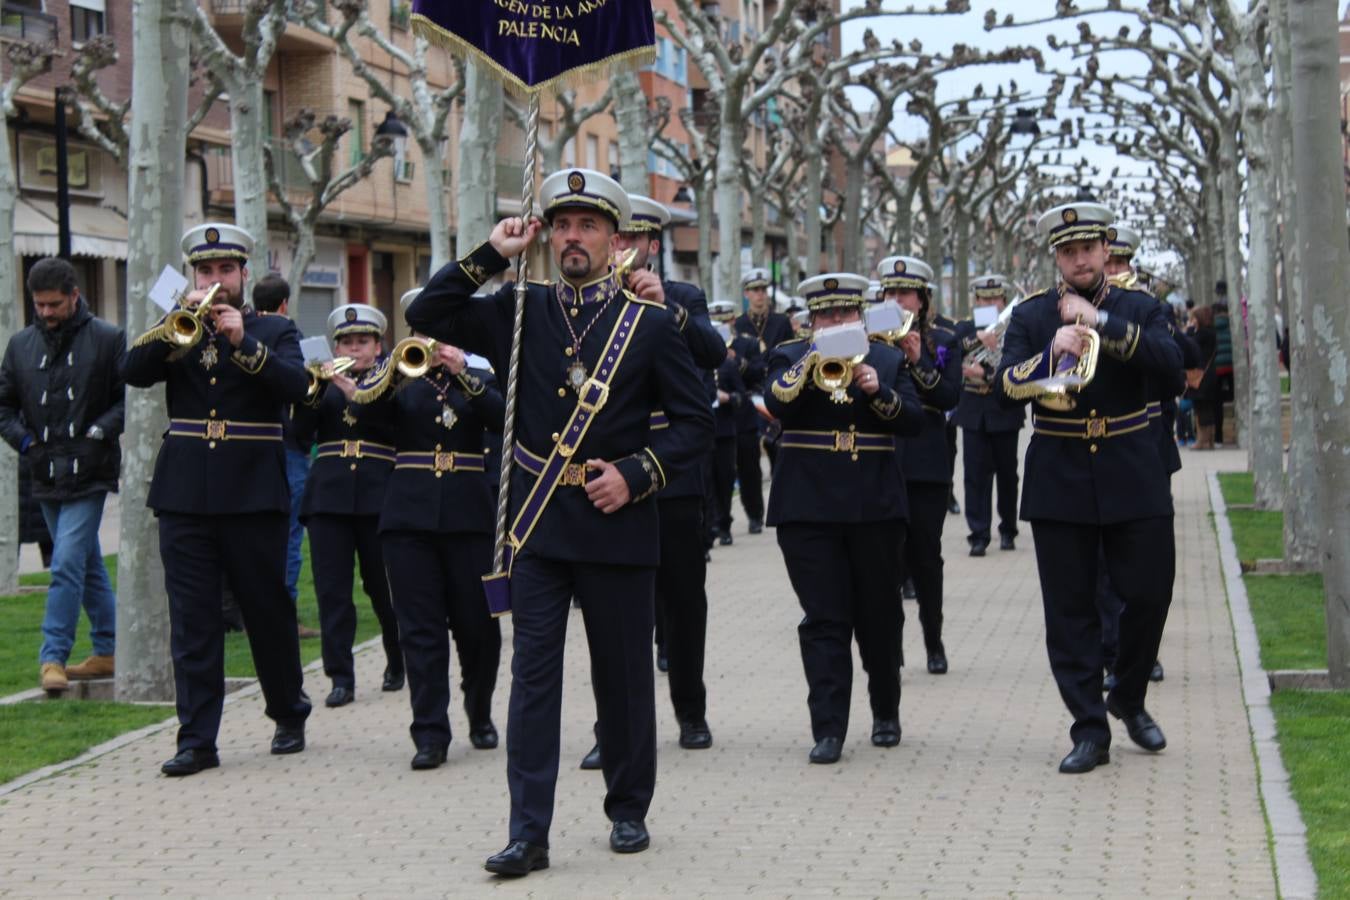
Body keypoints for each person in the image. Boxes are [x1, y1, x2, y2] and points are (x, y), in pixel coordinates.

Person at [406, 168, 712, 874]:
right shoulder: (518, 306)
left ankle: (628, 807)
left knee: (624, 678)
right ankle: (528, 832)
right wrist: (491, 254)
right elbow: (429, 313)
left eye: (589, 227)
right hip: (539, 526)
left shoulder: (652, 324)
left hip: (618, 522)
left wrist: (637, 474)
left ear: (614, 239)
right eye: (563, 226)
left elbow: (694, 423)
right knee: (533, 681)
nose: (574, 239)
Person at [995, 202, 1182, 775]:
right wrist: (1052, 353)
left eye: (1088, 249)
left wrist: (1102, 325)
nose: (1079, 260)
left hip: (1132, 465)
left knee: (1148, 593)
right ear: (1056, 257)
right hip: (1061, 473)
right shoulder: (1031, 316)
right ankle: (1089, 729)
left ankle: (1127, 696)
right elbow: (1005, 387)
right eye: (1068, 251)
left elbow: (1173, 369)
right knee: (1070, 612)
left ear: (1106, 251)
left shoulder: (1140, 308)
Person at [123, 223, 312, 776]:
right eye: (205, 271)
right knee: (193, 619)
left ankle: (287, 711)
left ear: (243, 275)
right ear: (193, 275)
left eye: (225, 271)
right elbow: (130, 372)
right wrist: (167, 328)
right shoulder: (175, 332)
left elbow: (299, 388)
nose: (215, 281)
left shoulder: (273, 330)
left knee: (265, 609)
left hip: (253, 493)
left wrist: (243, 344)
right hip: (184, 494)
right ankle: (197, 739)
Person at [577, 195, 725, 771]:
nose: (622, 250)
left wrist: (673, 312)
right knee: (612, 613)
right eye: (616, 239)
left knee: (684, 602)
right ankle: (609, 727)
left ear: (653, 246)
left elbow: (714, 353)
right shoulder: (593, 302)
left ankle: (690, 710)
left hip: (673, 474)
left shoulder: (682, 297)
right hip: (611, 473)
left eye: (632, 240)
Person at [764, 272, 924, 764]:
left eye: (845, 314)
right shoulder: (790, 356)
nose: (836, 322)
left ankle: (886, 710)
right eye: (826, 315)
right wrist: (814, 360)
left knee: (878, 615)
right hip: (807, 506)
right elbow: (773, 403)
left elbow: (916, 421)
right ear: (811, 320)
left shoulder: (886, 357)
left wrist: (879, 392)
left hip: (873, 505)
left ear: (860, 314)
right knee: (824, 619)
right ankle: (829, 727)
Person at [350, 291, 504, 769]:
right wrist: (393, 370)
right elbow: (362, 415)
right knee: (420, 630)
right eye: (422, 331)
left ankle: (479, 710)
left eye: (440, 331)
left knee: (480, 629)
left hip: (469, 516)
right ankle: (430, 733)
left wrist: (461, 370)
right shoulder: (396, 378)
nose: (431, 342)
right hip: (409, 518)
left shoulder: (481, 375)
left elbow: (505, 419)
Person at [0, 257, 123, 692]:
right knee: (86, 564)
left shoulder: (109, 339)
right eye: (39, 305)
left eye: (54, 304)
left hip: (91, 470)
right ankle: (109, 649)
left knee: (66, 563)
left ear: (74, 296)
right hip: (44, 471)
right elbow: (4, 406)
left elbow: (126, 400)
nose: (46, 312)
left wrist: (98, 433)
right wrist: (28, 444)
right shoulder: (19, 346)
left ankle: (52, 657)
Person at [289, 304, 404, 709]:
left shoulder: (392, 380)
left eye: (363, 342)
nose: (354, 349)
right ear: (334, 345)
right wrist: (313, 391)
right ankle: (341, 677)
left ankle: (397, 657)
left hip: (377, 492)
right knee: (332, 590)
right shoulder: (320, 382)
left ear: (378, 346)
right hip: (329, 496)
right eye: (346, 342)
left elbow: (398, 429)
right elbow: (300, 436)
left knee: (382, 587)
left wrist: (358, 396)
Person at [874, 257, 962, 674]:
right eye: (889, 292)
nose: (896, 300)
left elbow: (949, 397)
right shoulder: (869, 336)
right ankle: (889, 647)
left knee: (926, 557)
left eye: (905, 292)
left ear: (923, 299)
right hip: (881, 459)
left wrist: (919, 363)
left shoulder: (945, 337)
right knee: (884, 563)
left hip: (927, 463)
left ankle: (934, 639)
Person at [254, 275, 318, 637]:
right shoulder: (286, 335)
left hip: (256, 447)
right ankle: (284, 614)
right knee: (290, 536)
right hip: (289, 447)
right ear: (284, 305)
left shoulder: (247, 330)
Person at [952, 275, 1025, 556]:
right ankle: (978, 534)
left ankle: (1008, 529)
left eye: (994, 299)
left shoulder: (1014, 329)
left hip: (1003, 409)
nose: (988, 303)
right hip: (973, 411)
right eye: (983, 299)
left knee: (1007, 475)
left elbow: (1018, 366)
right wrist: (977, 338)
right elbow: (951, 351)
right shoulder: (966, 328)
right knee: (974, 476)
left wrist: (986, 374)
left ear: (1003, 301)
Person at [710, 301, 766, 546]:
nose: (722, 325)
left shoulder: (747, 343)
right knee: (720, 474)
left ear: (733, 321)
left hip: (743, 418)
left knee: (749, 468)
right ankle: (719, 521)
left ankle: (755, 514)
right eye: (717, 321)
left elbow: (759, 372)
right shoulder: (706, 346)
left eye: (726, 321)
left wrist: (738, 361)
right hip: (717, 421)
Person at [735, 268, 792, 484]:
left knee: (775, 441)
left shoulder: (781, 321)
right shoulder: (739, 324)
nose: (760, 294)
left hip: (776, 386)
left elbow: (790, 353)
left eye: (762, 289)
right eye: (754, 290)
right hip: (750, 391)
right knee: (749, 450)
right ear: (746, 294)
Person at [1189, 305, 1219, 450]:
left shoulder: (1201, 334)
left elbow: (1190, 347)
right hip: (1210, 373)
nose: (1192, 321)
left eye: (1194, 318)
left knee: (1201, 408)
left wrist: (1189, 331)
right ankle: (1210, 440)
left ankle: (1202, 440)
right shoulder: (1211, 332)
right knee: (1208, 407)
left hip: (1201, 375)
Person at [1212, 284, 1234, 446]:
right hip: (1231, 366)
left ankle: (1219, 437)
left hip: (1216, 368)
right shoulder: (1233, 326)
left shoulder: (1211, 327)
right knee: (1233, 397)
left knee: (1217, 403)